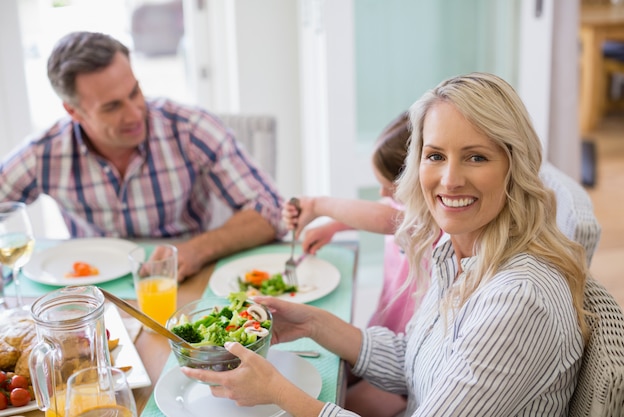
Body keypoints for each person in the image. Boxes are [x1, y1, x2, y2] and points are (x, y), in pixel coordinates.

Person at [182, 72, 590, 417]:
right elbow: (414, 363)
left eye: (476, 157)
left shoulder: (518, 299)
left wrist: (279, 392)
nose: (449, 180)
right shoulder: (458, 251)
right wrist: (312, 323)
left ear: (515, 167)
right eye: (435, 156)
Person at [0, 31, 286, 281]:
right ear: (74, 112)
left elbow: (272, 210)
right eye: (112, 107)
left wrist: (197, 250)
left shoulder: (189, 128)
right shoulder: (44, 153)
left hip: (184, 282)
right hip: (91, 295)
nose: (135, 113)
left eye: (135, 91)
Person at [283, 112, 433, 417]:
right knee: (331, 366)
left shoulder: (427, 221)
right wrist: (334, 227)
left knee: (344, 402)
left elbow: (385, 218)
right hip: (386, 326)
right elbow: (384, 209)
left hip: (408, 359)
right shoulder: (405, 206)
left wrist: (318, 205)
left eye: (388, 186)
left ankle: (397, 400)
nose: (382, 194)